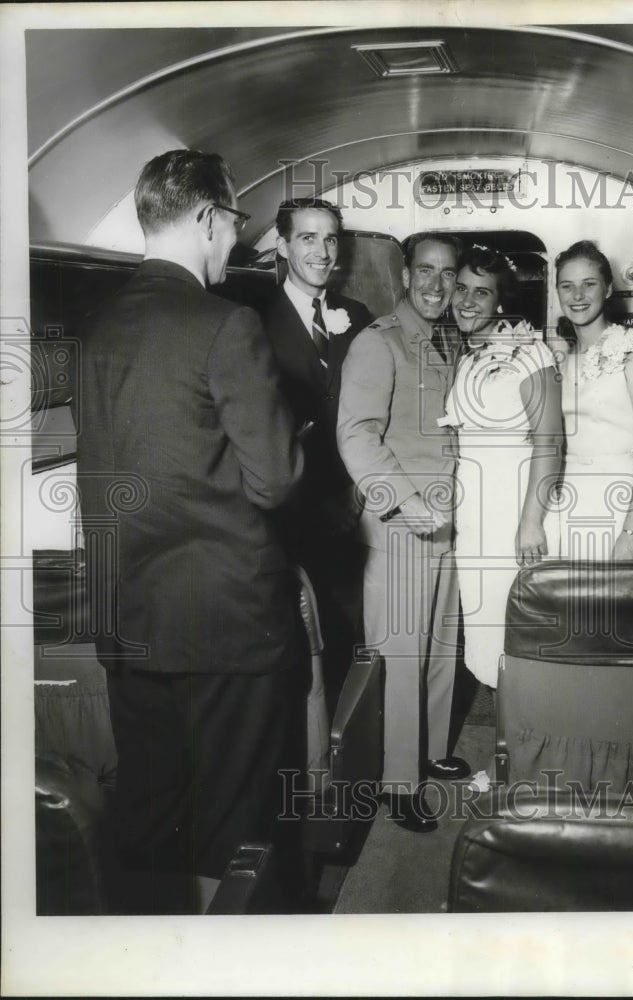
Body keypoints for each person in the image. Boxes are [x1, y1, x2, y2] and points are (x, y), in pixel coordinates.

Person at [77, 150, 303, 908]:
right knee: (235, 823)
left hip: (127, 620)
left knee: (148, 812)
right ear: (208, 218)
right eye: (234, 223)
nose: (235, 242)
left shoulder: (95, 327)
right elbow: (274, 481)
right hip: (224, 624)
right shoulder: (227, 324)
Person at [337, 233, 469, 832]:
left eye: (447, 273)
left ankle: (432, 751)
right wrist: (407, 504)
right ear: (405, 276)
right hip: (400, 525)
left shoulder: (444, 341)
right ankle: (398, 783)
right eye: (425, 271)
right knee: (403, 652)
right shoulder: (378, 343)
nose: (436, 285)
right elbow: (357, 436)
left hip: (441, 523)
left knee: (442, 646)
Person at [265, 199, 372, 722]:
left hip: (352, 506)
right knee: (296, 647)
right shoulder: (251, 321)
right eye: (308, 238)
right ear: (282, 246)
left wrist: (356, 494)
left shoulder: (360, 318)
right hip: (286, 513)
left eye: (330, 239)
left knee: (352, 637)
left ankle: (347, 764)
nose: (322, 251)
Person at [442, 245, 563, 690]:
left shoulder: (529, 351)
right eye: (461, 289)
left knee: (519, 641)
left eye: (482, 292)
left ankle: (528, 755)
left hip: (513, 514)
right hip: (473, 518)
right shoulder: (466, 355)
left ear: (500, 302)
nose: (467, 301)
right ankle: (506, 753)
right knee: (486, 638)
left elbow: (551, 443)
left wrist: (531, 523)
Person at [542, 240, 633, 561]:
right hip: (569, 499)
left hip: (622, 503)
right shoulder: (561, 359)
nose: (577, 296)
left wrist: (631, 534)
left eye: (589, 285)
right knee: (576, 608)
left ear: (608, 289)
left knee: (623, 608)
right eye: (567, 286)